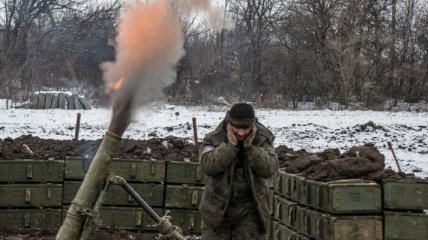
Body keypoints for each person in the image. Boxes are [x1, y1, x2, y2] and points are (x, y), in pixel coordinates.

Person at [198, 103, 278, 240]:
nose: (241, 133)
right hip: (216, 211)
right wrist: (230, 147)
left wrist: (249, 148)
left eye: (246, 129)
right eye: (237, 128)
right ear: (229, 124)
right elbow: (208, 166)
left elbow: (270, 168)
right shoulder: (214, 137)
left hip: (251, 211)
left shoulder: (262, 138)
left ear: (253, 125)